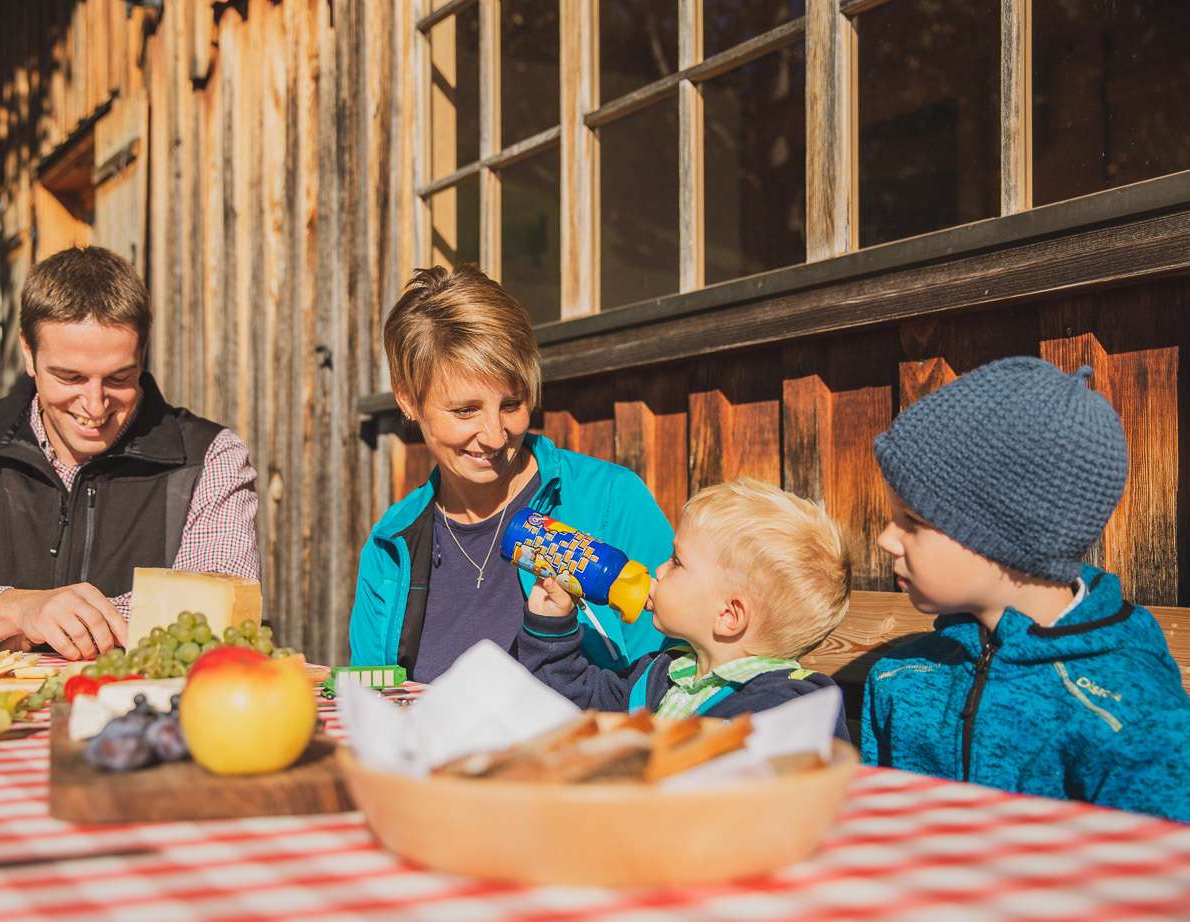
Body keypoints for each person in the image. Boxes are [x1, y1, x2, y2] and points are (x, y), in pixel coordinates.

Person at [0, 246, 260, 660]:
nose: (94, 405)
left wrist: (55, 622)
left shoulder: (209, 457)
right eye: (69, 377)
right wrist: (16, 608)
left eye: (119, 377)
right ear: (28, 355)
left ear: (142, 355)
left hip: (142, 717)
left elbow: (216, 608)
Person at [861, 356, 1190, 822]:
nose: (886, 539)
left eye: (912, 521)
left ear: (1006, 535)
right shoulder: (903, 677)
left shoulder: (1124, 715)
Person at [348, 265, 672, 682]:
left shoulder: (610, 501)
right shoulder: (391, 544)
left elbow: (676, 676)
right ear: (408, 400)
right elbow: (369, 699)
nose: (495, 436)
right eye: (465, 410)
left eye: (511, 404)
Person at [517, 477, 853, 739]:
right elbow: (578, 703)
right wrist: (552, 626)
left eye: (677, 562)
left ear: (728, 616)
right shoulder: (664, 676)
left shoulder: (790, 708)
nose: (659, 570)